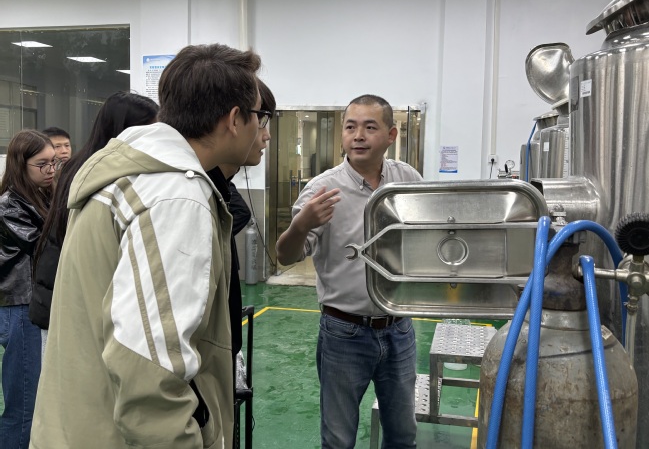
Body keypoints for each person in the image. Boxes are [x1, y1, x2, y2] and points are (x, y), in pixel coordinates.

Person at [30, 43, 262, 449]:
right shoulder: (174, 197)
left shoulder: (126, 174)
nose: (261, 128)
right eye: (259, 115)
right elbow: (149, 371)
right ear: (234, 119)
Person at [276, 94, 423, 448]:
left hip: (399, 328)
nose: (358, 136)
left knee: (403, 435)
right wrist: (301, 224)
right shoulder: (323, 189)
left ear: (391, 135)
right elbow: (285, 256)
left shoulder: (407, 179)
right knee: (339, 440)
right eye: (350, 127)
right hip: (344, 333)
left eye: (370, 127)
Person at [29, 92, 160, 343]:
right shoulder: (101, 171)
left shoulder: (83, 164)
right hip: (70, 295)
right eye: (150, 130)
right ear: (126, 130)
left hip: (64, 289)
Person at [207, 78, 275, 367]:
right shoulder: (191, 198)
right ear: (235, 120)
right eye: (262, 120)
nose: (266, 136)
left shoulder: (221, 186)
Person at [0, 129, 57, 449]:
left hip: (36, 305)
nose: (51, 170)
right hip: (21, 307)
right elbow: (43, 248)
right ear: (20, 165)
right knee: (24, 405)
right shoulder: (9, 205)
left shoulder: (43, 196)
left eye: (54, 163)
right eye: (42, 164)